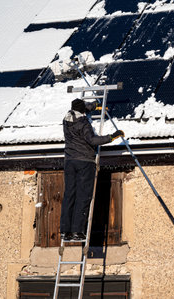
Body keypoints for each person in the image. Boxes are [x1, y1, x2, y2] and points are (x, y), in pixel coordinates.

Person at [60, 98, 124, 241]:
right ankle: (77, 232)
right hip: (84, 162)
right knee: (83, 196)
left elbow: (82, 109)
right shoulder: (84, 123)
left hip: (69, 161)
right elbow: (92, 140)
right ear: (83, 111)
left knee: (69, 195)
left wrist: (93, 106)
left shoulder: (66, 119)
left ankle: (65, 232)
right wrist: (112, 137)